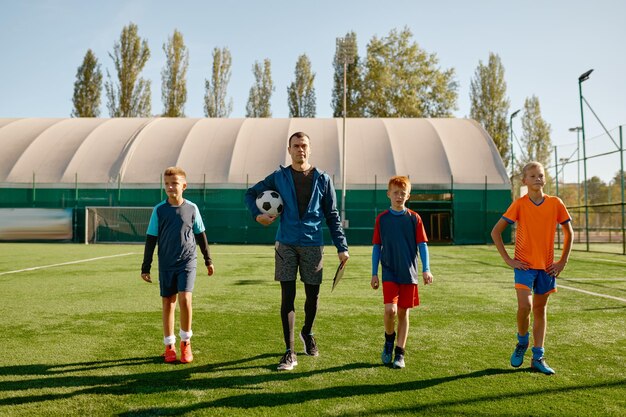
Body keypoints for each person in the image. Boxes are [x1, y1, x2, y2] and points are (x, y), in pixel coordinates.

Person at [244, 131, 349, 371]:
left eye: (304, 146)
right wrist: (257, 214)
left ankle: (307, 332)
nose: (300, 149)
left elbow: (332, 216)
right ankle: (289, 352)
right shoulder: (279, 177)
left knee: (313, 297)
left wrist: (341, 247)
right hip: (286, 243)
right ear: (289, 150)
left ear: (309, 149)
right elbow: (250, 194)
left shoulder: (323, 179)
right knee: (287, 296)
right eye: (296, 146)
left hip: (313, 243)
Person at [491, 161, 573, 375]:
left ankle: (538, 357)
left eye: (541, 175)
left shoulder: (556, 203)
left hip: (547, 268)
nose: (538, 178)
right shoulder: (519, 204)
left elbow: (569, 233)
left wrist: (562, 261)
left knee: (540, 310)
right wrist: (509, 260)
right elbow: (496, 232)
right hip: (524, 266)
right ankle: (522, 341)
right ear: (524, 180)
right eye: (533, 175)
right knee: (525, 306)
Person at [141, 166, 215, 363]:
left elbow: (201, 235)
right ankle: (169, 345)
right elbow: (151, 238)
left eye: (174, 183)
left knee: (186, 300)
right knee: (168, 303)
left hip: (187, 261)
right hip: (166, 263)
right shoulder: (159, 210)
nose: (170, 187)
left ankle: (186, 342)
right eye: (166, 184)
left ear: (184, 185)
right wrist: (145, 267)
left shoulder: (192, 208)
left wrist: (208, 260)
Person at [370, 176, 434, 369]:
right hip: (389, 272)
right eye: (395, 193)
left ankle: (400, 353)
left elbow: (422, 245)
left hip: (409, 273)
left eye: (403, 193)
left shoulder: (414, 218)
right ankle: (389, 340)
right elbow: (376, 247)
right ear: (388, 194)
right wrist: (374, 273)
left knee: (403, 313)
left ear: (408, 196)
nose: (399, 196)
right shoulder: (382, 219)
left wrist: (426, 269)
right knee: (391, 310)